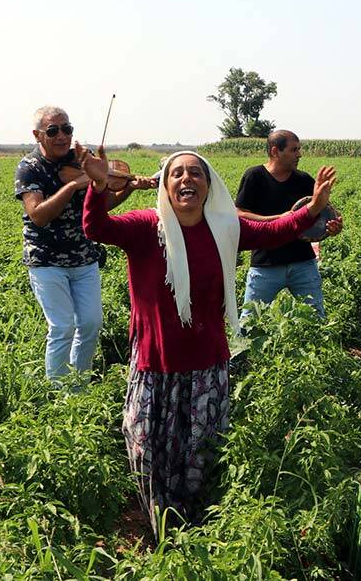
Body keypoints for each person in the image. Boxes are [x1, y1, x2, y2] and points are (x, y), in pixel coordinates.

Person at [78, 142, 336, 532]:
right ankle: (159, 526)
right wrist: (98, 188)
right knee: (147, 450)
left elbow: (272, 231)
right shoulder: (147, 227)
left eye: (195, 173)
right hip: (156, 362)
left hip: (205, 362)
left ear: (209, 185)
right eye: (177, 173)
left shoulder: (225, 228)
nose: (186, 179)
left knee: (199, 452)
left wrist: (313, 210)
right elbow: (97, 228)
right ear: (165, 186)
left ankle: (193, 526)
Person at [15, 105, 154, 381]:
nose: (62, 136)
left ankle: (77, 385)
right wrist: (73, 186)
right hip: (46, 260)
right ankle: (57, 392)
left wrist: (127, 187)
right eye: (53, 130)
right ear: (37, 135)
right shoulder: (29, 167)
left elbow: (103, 205)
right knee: (62, 327)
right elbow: (38, 215)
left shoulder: (83, 161)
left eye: (67, 129)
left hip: (83, 256)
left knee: (91, 323)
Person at [235, 129, 342, 320]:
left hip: (302, 262)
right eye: (294, 150)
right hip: (265, 264)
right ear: (275, 151)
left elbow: (321, 213)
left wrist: (333, 227)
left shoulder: (304, 180)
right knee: (249, 322)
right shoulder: (255, 176)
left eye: (299, 149)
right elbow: (240, 214)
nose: (299, 154)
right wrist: (279, 219)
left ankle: (317, 351)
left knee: (316, 319)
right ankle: (243, 352)